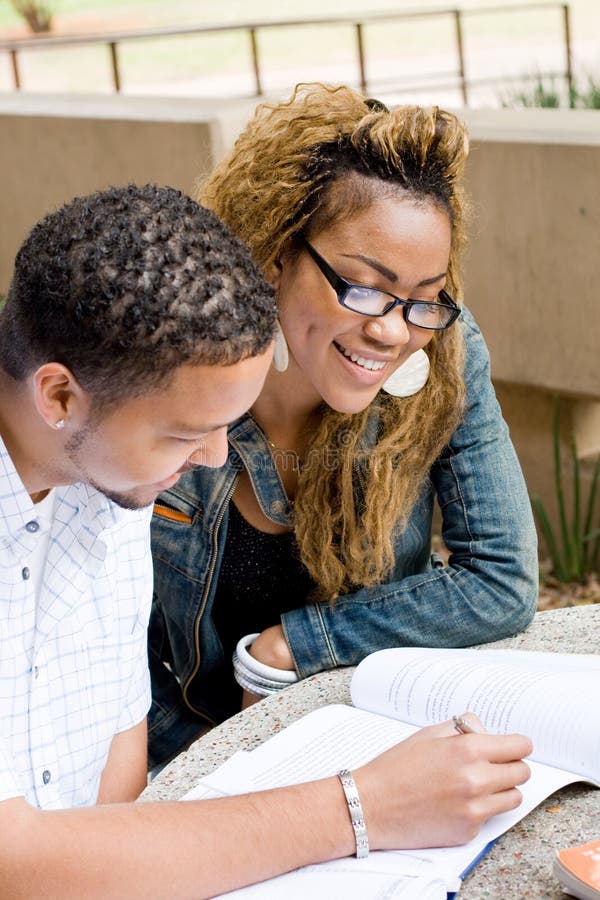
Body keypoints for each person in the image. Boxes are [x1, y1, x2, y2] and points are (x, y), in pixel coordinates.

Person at [0, 182, 533, 897]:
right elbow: (13, 860)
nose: (217, 458)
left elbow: (116, 774)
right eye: (186, 434)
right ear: (60, 397)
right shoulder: (120, 474)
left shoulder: (111, 482)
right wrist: (364, 806)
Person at [149, 83, 539, 768]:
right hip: (177, 758)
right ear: (275, 253)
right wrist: (202, 770)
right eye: (363, 288)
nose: (393, 331)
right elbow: (90, 637)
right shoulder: (163, 362)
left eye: (424, 299)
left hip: (363, 742)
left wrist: (295, 645)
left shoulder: (445, 355)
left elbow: (501, 580)